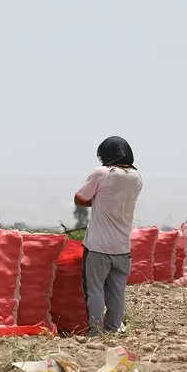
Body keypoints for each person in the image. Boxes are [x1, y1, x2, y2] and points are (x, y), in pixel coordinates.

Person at [74, 136, 143, 335]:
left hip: (98, 246)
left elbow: (80, 199)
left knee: (94, 290)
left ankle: (95, 331)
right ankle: (113, 329)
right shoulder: (137, 177)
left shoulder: (103, 173)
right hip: (122, 247)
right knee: (117, 290)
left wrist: (96, 202)